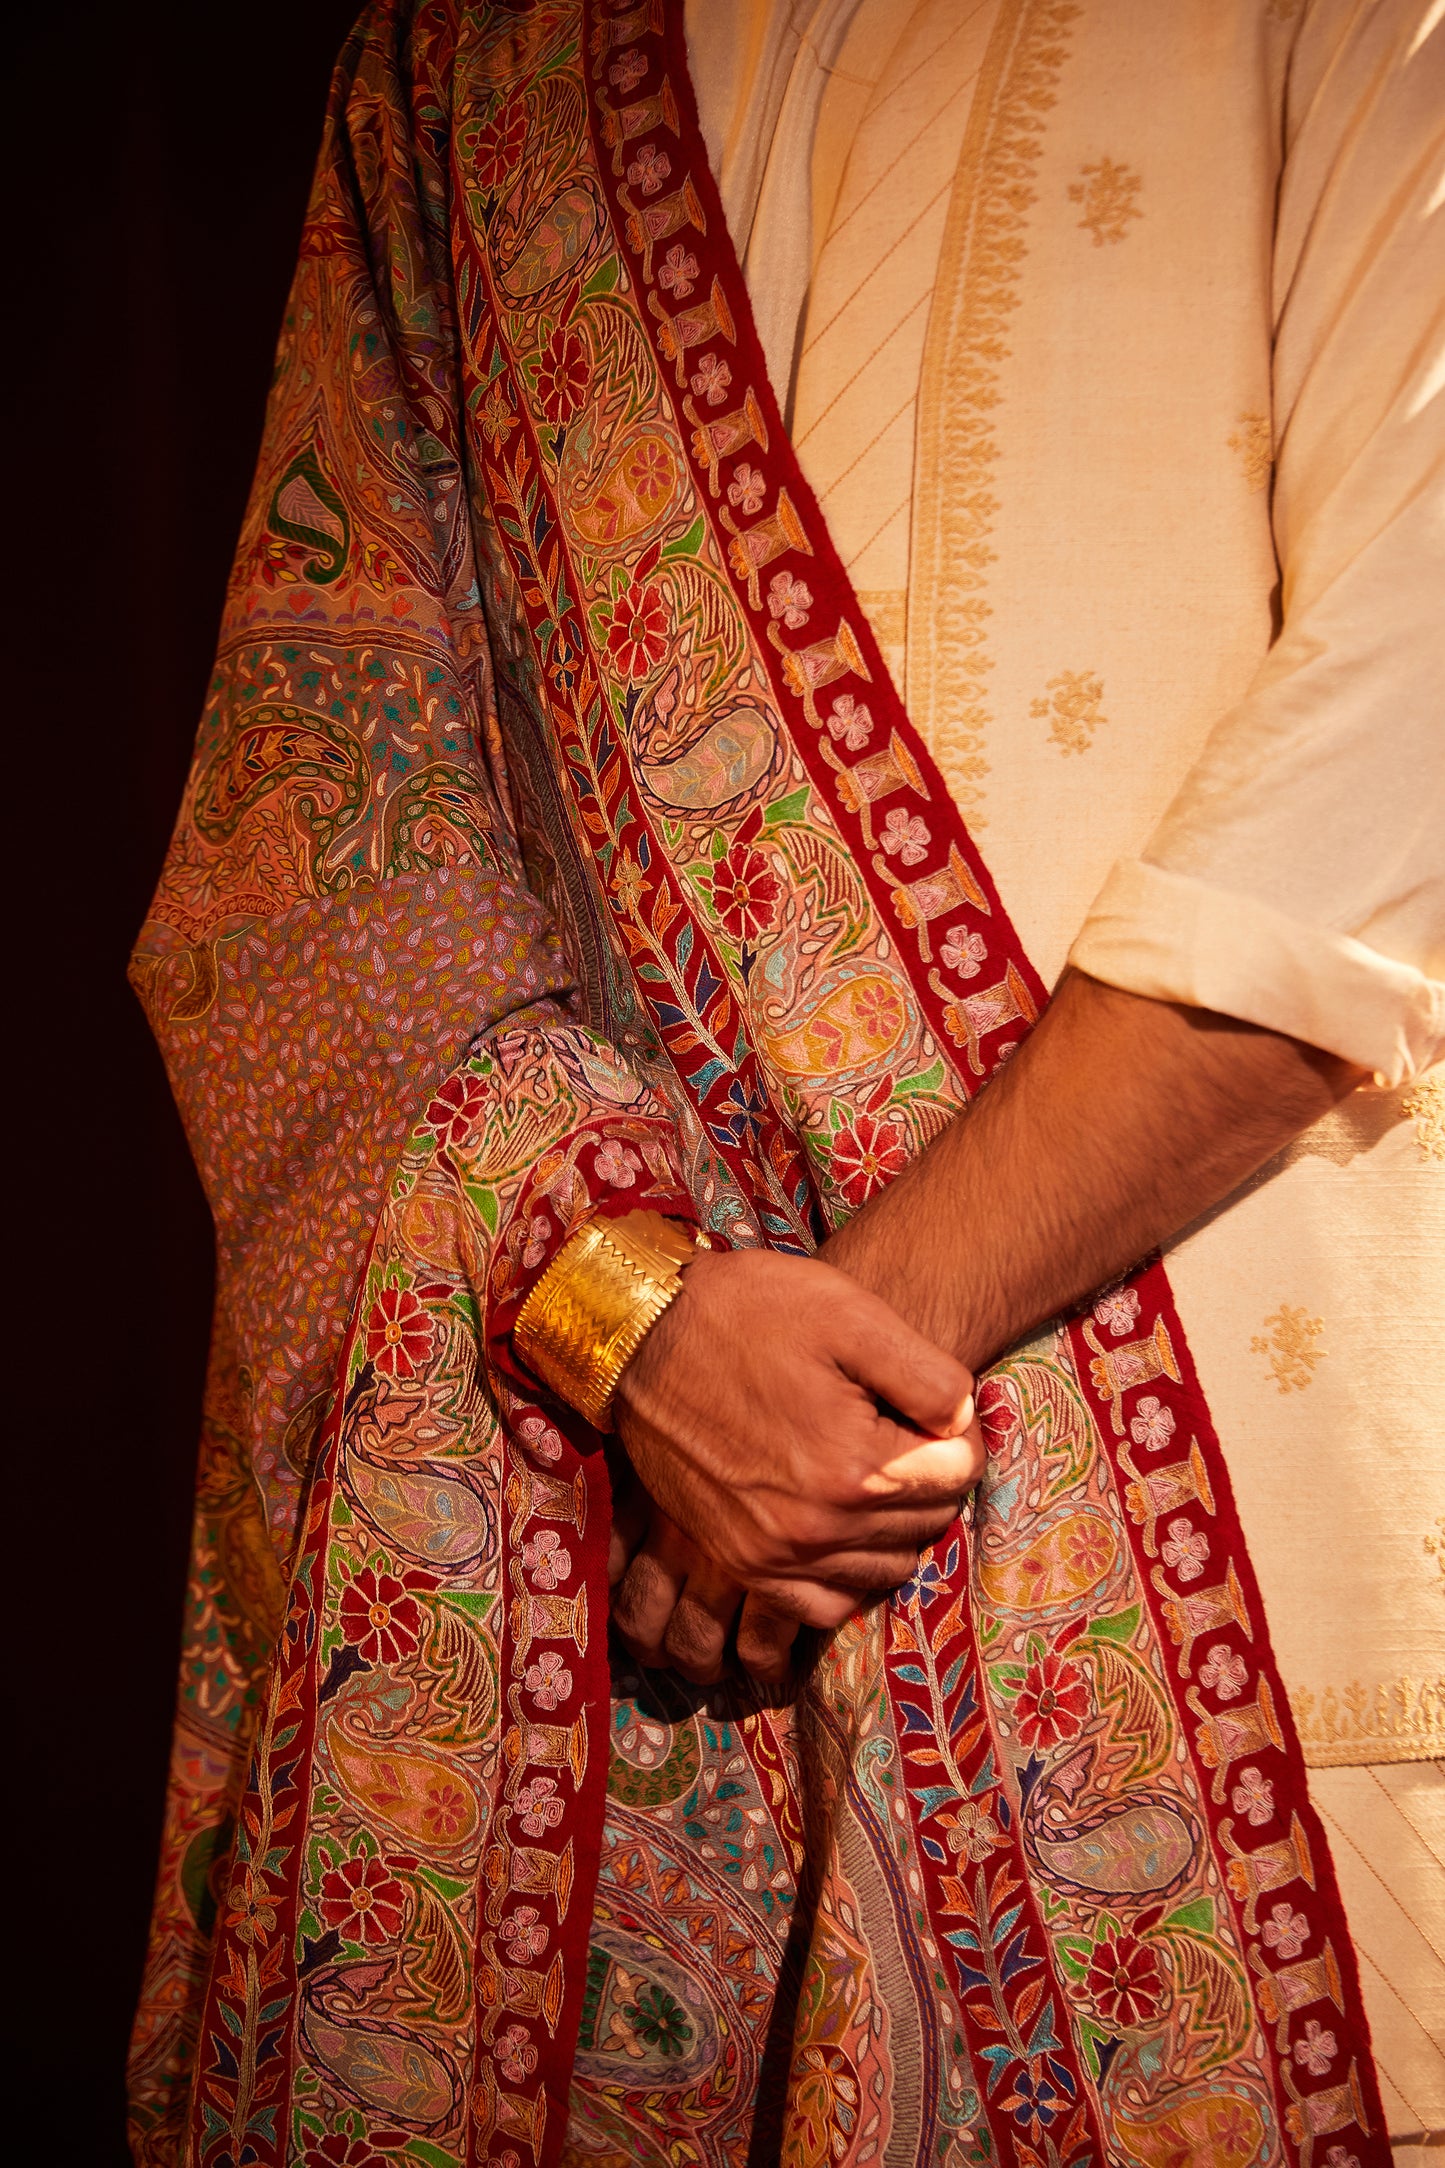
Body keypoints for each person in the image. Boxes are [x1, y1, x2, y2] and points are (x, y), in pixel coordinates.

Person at [128, 2, 1443, 2163]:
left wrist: (839, 1358)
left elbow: (1408, 743)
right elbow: (324, 858)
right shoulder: (478, 68)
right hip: (643, 1670)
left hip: (1284, 1677)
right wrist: (623, 1317)